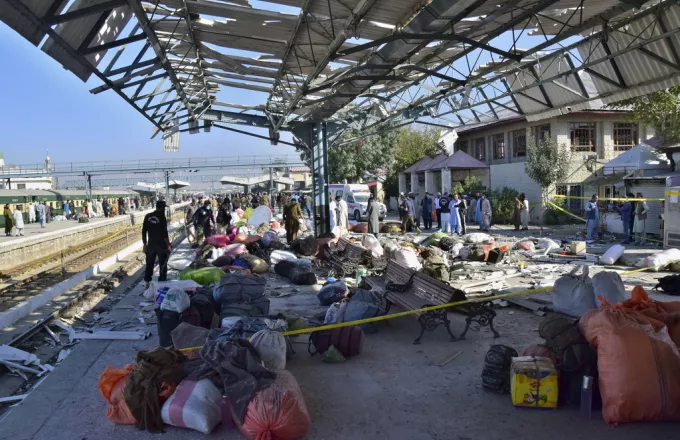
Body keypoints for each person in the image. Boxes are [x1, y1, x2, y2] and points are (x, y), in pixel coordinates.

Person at [142, 201, 171, 288]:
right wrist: (168, 245)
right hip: (160, 245)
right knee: (163, 263)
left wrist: (144, 244)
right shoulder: (162, 217)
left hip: (151, 244)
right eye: (164, 208)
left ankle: (147, 282)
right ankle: (162, 282)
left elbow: (144, 231)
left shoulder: (148, 216)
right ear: (162, 208)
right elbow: (165, 234)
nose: (164, 209)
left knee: (149, 263)